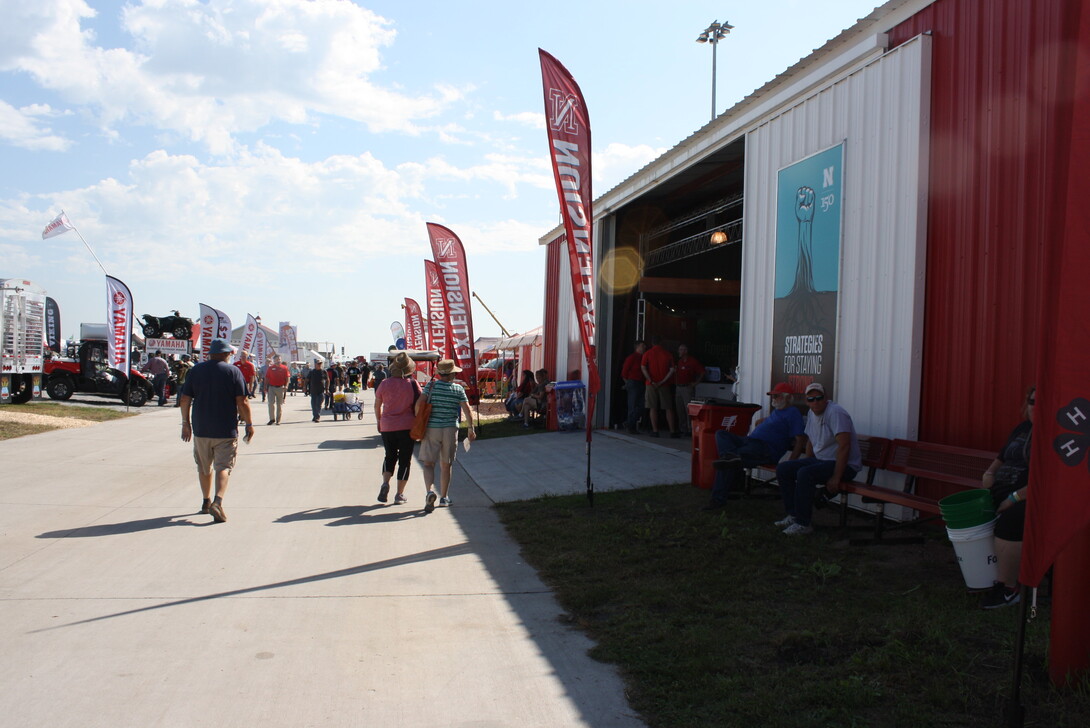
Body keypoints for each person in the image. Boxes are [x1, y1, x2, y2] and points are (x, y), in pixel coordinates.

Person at [178, 339, 254, 523]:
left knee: (204, 467)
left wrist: (185, 423)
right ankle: (218, 501)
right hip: (225, 429)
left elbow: (184, 399)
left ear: (210, 354)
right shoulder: (233, 371)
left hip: (201, 429)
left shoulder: (196, 370)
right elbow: (242, 401)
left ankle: (206, 502)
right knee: (224, 467)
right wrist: (249, 424)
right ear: (226, 354)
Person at [774, 383, 862, 535]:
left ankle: (804, 524)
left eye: (819, 398)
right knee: (784, 468)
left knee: (805, 473)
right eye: (811, 399)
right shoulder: (811, 412)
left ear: (826, 398)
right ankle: (794, 515)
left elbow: (844, 446)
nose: (815, 402)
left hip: (845, 466)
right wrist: (807, 462)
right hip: (823, 461)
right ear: (807, 401)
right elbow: (810, 441)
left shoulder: (835, 413)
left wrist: (836, 477)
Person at [703, 382, 805, 510]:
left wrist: (791, 463)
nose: (773, 399)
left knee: (728, 460)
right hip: (750, 441)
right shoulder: (778, 412)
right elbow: (772, 424)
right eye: (772, 396)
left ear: (788, 398)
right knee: (721, 434)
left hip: (765, 449)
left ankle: (718, 500)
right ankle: (731, 459)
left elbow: (800, 439)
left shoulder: (793, 412)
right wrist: (763, 422)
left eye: (777, 396)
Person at [979, 385, 1035, 609]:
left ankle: (1009, 588)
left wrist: (1013, 498)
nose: (1035, 407)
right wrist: (989, 473)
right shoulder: (1022, 428)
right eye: (1032, 401)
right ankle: (981, 573)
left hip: (1027, 497)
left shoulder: (1056, 434)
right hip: (1002, 489)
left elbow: (1047, 483)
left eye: (1042, 402)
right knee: (972, 515)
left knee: (1012, 520)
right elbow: (1001, 458)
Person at [417, 359, 476, 512]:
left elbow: (419, 404)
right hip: (450, 429)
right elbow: (467, 410)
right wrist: (471, 428)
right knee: (446, 464)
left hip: (432, 428)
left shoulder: (431, 386)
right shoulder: (458, 389)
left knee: (429, 463)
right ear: (452, 374)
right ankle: (444, 497)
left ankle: (430, 492)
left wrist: (419, 419)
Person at [374, 352, 420, 506]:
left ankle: (385, 482)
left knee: (389, 456)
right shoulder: (412, 384)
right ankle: (399, 494)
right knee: (405, 460)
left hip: (387, 425)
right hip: (407, 426)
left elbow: (377, 405)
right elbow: (420, 404)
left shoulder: (384, 383)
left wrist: (379, 420)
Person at [641, 336, 678, 438]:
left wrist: (651, 380)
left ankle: (655, 430)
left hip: (651, 384)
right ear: (661, 343)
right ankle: (672, 431)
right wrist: (663, 381)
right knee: (668, 408)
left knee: (653, 407)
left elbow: (643, 367)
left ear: (652, 343)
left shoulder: (647, 353)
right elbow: (672, 370)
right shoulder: (667, 354)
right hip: (664, 384)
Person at [674, 344, 705, 436]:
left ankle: (689, 429)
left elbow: (702, 372)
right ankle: (682, 428)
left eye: (681, 350)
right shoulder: (679, 362)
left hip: (687, 387)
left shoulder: (692, 362)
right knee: (680, 409)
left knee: (688, 409)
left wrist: (695, 383)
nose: (679, 352)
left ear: (685, 351)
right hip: (679, 387)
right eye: (679, 350)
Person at [621, 340, 647, 434]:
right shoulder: (632, 358)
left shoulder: (644, 357)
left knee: (642, 405)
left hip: (641, 383)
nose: (644, 347)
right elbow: (624, 372)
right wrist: (628, 383)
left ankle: (629, 423)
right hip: (633, 382)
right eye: (642, 346)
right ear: (637, 347)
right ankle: (631, 427)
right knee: (633, 404)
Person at [264, 354, 290, 425]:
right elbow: (267, 378)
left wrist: (286, 385)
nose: (278, 361)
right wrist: (265, 387)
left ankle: (278, 420)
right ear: (274, 360)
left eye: (279, 359)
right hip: (271, 387)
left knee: (279, 404)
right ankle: (272, 419)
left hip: (280, 388)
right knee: (271, 404)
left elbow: (287, 378)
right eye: (277, 359)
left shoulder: (284, 368)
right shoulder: (271, 368)